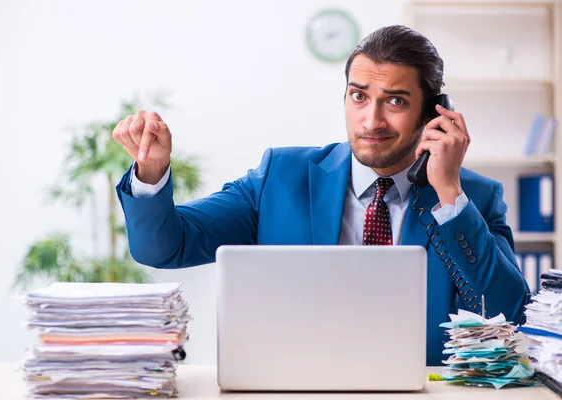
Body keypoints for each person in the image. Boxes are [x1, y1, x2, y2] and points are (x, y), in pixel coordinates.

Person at [113, 25, 530, 366]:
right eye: (359, 95)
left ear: (433, 112)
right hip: (296, 387)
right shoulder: (281, 176)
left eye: (396, 101)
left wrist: (449, 195)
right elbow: (166, 247)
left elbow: (508, 317)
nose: (372, 120)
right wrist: (150, 173)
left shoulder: (470, 197)